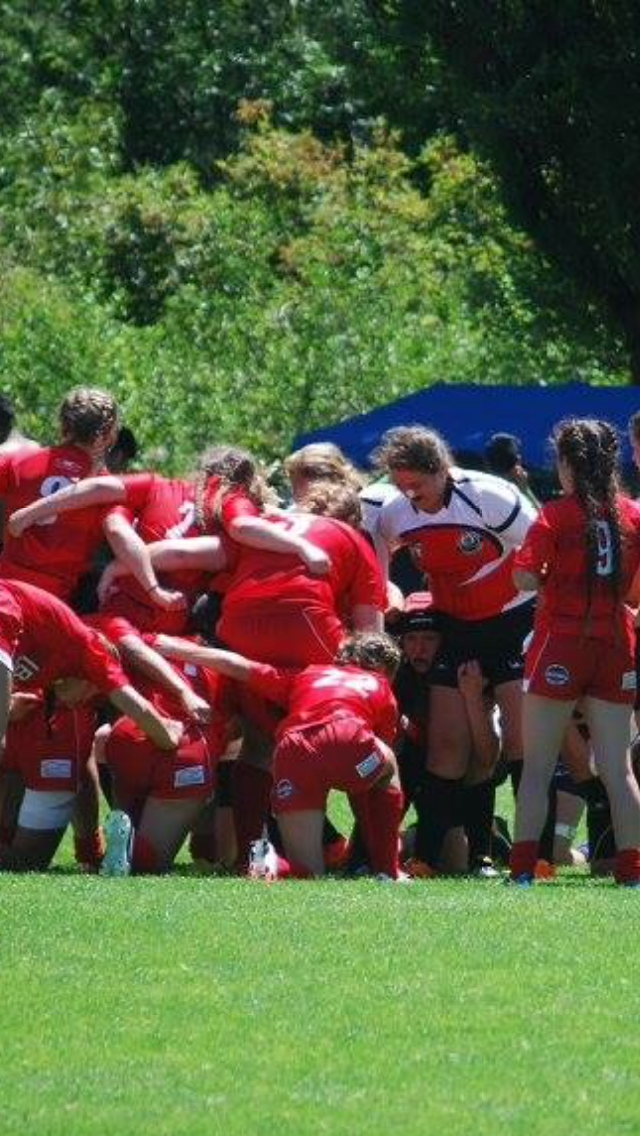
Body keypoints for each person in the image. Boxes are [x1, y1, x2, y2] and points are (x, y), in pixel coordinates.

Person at [367, 424, 537, 873]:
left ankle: (530, 856)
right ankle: (427, 857)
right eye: (400, 486)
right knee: (447, 744)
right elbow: (376, 562)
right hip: (455, 629)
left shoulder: (489, 496)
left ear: (441, 470)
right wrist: (388, 592)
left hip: (512, 624)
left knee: (519, 742)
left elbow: (542, 546)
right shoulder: (395, 513)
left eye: (417, 485)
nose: (409, 495)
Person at [155, 630, 404, 879]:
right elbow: (371, 759)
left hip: (293, 751)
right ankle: (388, 871)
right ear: (385, 669)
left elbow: (236, 665)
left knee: (308, 872)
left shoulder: (304, 675)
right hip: (347, 740)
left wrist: (170, 647)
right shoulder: (381, 685)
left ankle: (268, 862)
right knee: (388, 762)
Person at [510, 418, 640, 886]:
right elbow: (634, 594)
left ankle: (522, 871)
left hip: (561, 643)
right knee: (619, 770)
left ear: (566, 463)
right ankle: (632, 872)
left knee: (538, 767)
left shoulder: (555, 515)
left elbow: (524, 577)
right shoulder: (632, 514)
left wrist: (551, 579)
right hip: (616, 645)